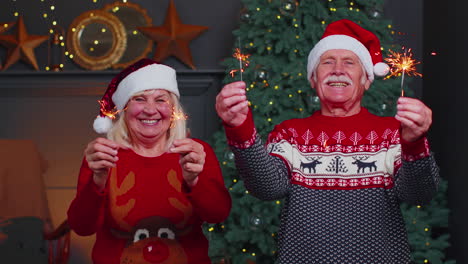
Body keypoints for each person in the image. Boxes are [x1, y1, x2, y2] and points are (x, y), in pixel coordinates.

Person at [215, 19, 439, 263]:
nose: (338, 69)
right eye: (327, 62)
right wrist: (240, 127)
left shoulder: (393, 133)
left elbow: (419, 194)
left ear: (366, 79)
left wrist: (414, 143)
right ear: (313, 78)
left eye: (349, 63)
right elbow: (267, 188)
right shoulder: (290, 134)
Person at [67, 58, 231, 264]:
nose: (150, 110)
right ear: (124, 108)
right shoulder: (104, 154)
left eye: (161, 100)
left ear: (173, 109)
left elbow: (218, 214)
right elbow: (82, 228)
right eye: (139, 99)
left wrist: (194, 181)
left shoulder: (194, 153)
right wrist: (97, 182)